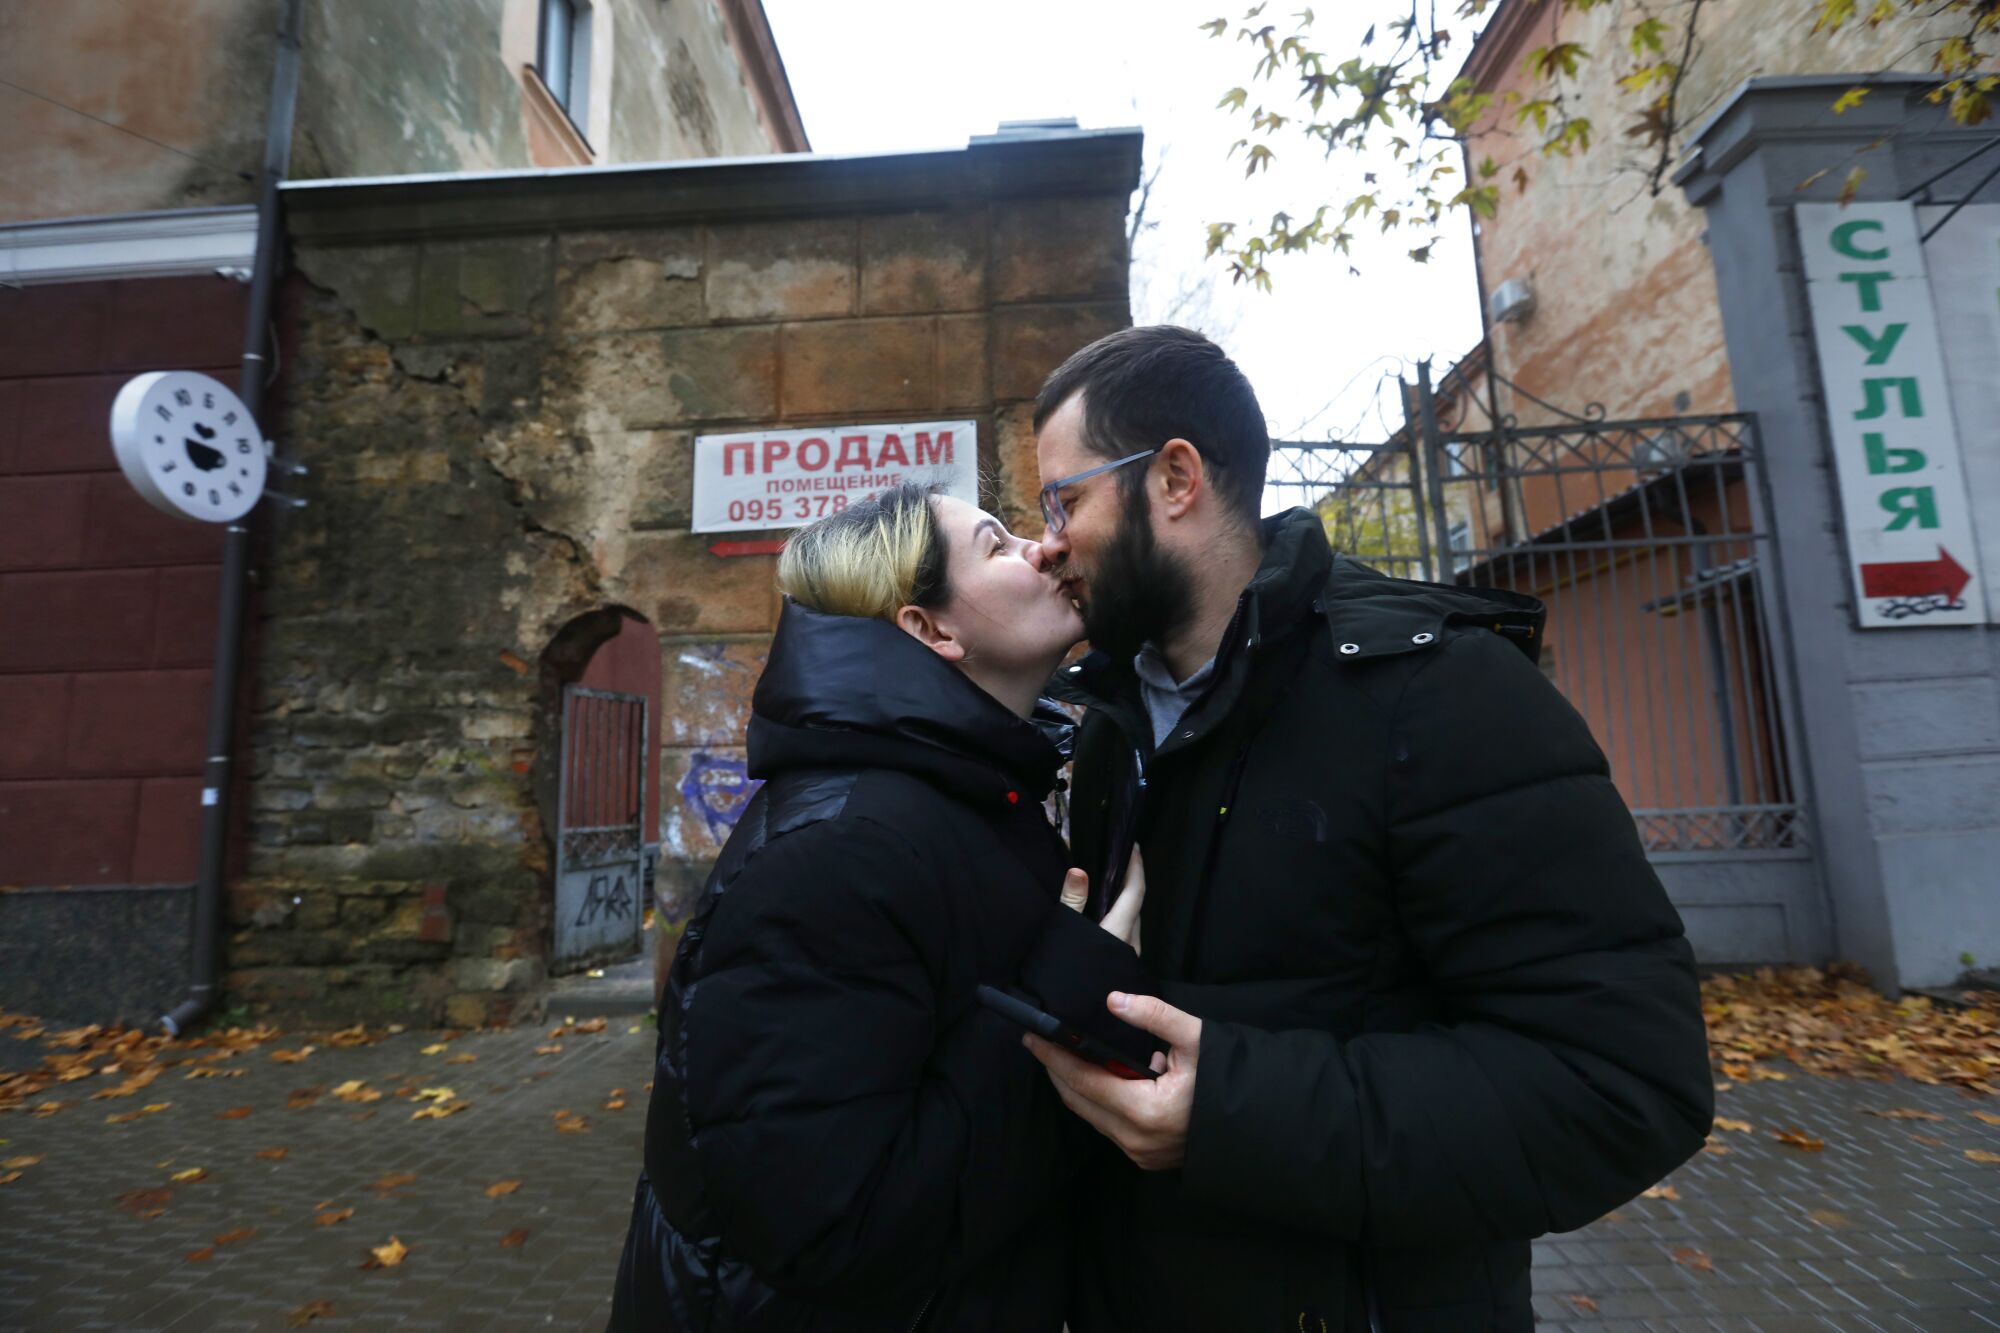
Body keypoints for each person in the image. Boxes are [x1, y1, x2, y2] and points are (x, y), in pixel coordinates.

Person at [1023, 325, 1715, 1331]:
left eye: (1063, 500)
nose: (1045, 542)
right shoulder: (1108, 733)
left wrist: (1231, 1115)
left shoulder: (1438, 694)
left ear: (1174, 479)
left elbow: (1619, 1087)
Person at [608, 482, 1147, 1332]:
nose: (1042, 549)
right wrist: (1065, 1001)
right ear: (929, 629)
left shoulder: (966, 796)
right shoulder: (838, 853)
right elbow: (832, 1225)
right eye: (997, 544)